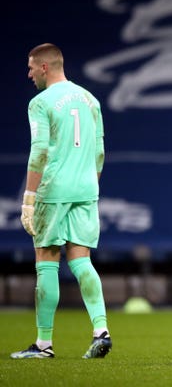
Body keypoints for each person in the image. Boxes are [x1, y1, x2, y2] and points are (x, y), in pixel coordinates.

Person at [11, 43, 112, 359]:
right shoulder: (90, 99)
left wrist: (29, 198)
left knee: (47, 261)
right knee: (81, 260)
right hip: (85, 190)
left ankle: (43, 344)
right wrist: (88, 186)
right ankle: (101, 331)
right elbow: (99, 151)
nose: (28, 74)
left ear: (44, 67)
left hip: (53, 190)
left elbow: (39, 151)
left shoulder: (40, 102)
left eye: (30, 67)